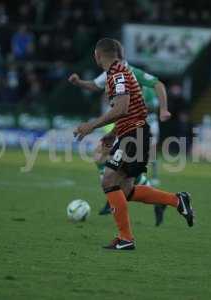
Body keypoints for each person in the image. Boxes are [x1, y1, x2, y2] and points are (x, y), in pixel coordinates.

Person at [74, 38, 194, 250]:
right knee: (126, 190)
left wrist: (91, 126)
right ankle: (177, 200)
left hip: (134, 135)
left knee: (108, 181)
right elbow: (129, 111)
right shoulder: (117, 72)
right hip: (133, 132)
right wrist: (113, 132)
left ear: (97, 55)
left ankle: (126, 238)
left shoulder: (118, 74)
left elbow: (121, 108)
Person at [68, 39, 171, 226]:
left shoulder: (126, 72)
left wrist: (163, 109)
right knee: (107, 161)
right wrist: (79, 82)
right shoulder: (112, 72)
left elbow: (156, 86)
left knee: (121, 174)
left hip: (136, 128)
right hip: (124, 127)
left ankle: (126, 204)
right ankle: (152, 202)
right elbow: (96, 85)